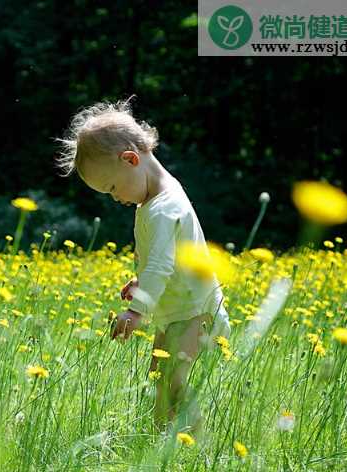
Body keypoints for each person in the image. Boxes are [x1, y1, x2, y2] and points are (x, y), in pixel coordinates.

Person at [54, 96, 231, 434]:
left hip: (196, 312)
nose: (115, 198)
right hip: (175, 311)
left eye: (112, 187)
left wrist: (136, 312)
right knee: (161, 384)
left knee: (173, 386)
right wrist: (141, 285)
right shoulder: (154, 200)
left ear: (131, 159)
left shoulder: (164, 207)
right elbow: (165, 260)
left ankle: (196, 450)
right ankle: (163, 449)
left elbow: (162, 267)